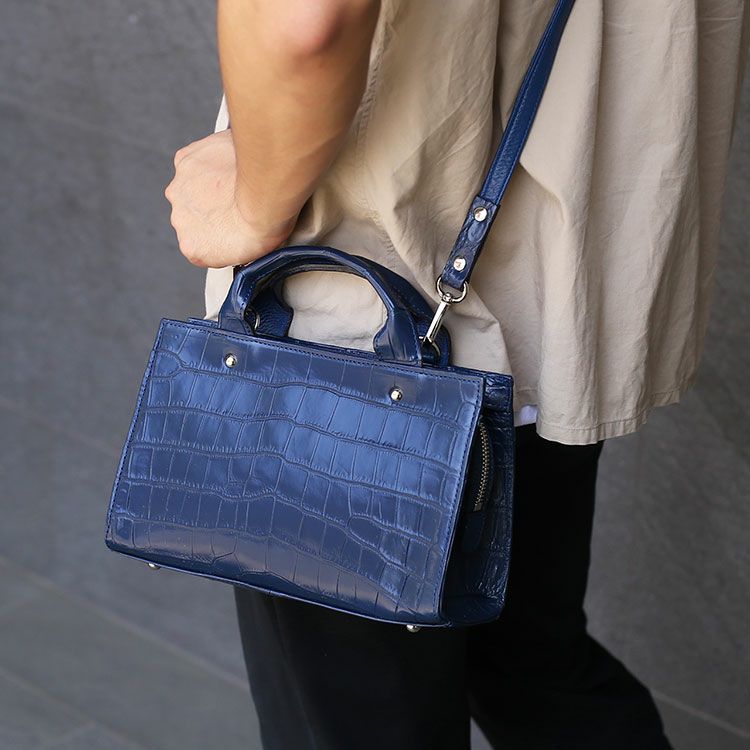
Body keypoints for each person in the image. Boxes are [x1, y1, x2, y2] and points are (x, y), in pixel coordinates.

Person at [164, 2, 749, 748]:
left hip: (359, 326)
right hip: (565, 299)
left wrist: (250, 201)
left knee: (358, 715)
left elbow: (309, 20)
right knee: (535, 668)